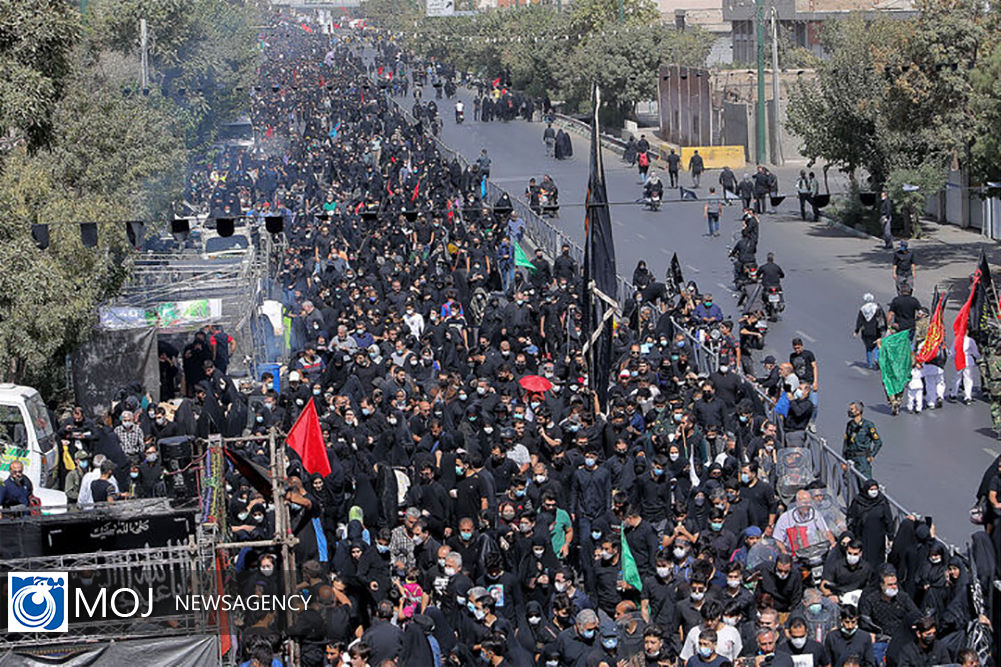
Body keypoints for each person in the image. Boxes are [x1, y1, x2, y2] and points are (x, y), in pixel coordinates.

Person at [842, 402, 881, 479]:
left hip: (863, 459)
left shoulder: (868, 425)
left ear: (858, 411)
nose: (850, 411)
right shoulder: (849, 425)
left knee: (864, 482)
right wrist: (843, 460)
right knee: (850, 483)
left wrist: (872, 456)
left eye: (852, 409)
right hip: (851, 458)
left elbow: (878, 442)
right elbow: (846, 443)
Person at [853, 294, 887, 369]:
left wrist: (856, 331)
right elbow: (882, 319)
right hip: (876, 330)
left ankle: (870, 364)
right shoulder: (877, 307)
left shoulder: (863, 309)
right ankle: (877, 358)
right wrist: (884, 329)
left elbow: (859, 321)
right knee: (877, 345)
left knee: (868, 348)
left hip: (866, 331)